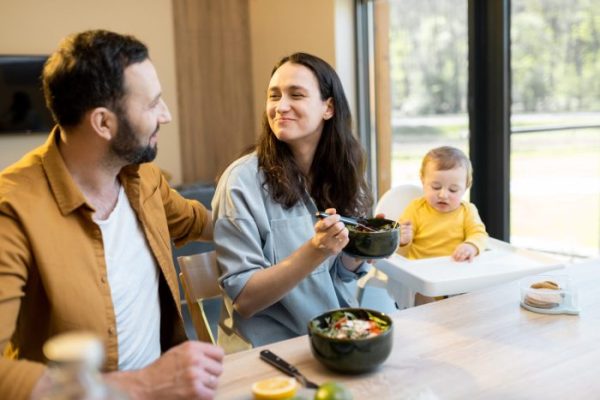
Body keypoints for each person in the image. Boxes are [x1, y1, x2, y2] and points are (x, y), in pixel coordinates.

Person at [0, 30, 223, 400]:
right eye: (152, 104)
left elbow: (200, 222)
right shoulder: (13, 211)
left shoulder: (145, 179)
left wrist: (278, 220)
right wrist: (143, 385)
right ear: (103, 123)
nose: (165, 115)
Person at [212, 52, 373, 347]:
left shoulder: (342, 171)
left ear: (329, 107)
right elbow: (245, 299)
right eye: (274, 96)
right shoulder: (240, 182)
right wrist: (316, 249)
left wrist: (363, 247)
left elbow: (338, 277)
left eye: (296, 95)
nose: (280, 107)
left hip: (337, 337)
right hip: (268, 353)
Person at [396, 146, 488, 304]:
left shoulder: (467, 211)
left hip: (455, 275)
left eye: (453, 190)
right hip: (422, 275)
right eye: (436, 187)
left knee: (473, 297)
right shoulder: (416, 209)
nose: (443, 194)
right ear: (423, 180)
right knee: (421, 296)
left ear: (466, 187)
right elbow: (399, 250)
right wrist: (403, 239)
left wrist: (471, 245)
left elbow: (479, 234)